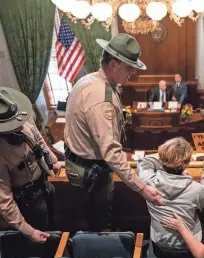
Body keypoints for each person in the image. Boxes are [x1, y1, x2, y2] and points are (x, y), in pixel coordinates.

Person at [64, 33, 165, 232]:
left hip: (82, 165)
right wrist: (142, 188)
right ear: (114, 64)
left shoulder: (90, 80)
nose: (132, 74)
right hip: (91, 173)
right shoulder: (101, 97)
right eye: (129, 68)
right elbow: (110, 152)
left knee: (89, 220)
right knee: (99, 225)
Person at [0, 87, 61, 243]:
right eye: (13, 124)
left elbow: (38, 139)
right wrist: (29, 231)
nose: (20, 125)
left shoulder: (23, 117)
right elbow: (4, 200)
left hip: (44, 185)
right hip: (27, 201)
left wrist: (52, 159)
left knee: (51, 225)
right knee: (39, 239)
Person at [138, 137, 204, 258]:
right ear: (186, 163)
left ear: (162, 159)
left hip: (160, 243)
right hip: (190, 245)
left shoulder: (148, 183)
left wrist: (166, 159)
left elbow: (144, 162)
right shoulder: (196, 189)